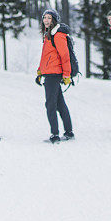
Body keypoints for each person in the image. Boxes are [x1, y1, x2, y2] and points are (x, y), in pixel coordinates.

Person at [35, 8, 74, 143]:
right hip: (49, 73)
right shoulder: (48, 35)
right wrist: (40, 72)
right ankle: (69, 132)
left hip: (54, 74)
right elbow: (45, 57)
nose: (46, 20)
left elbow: (65, 56)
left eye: (49, 18)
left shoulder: (57, 35)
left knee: (50, 105)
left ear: (54, 20)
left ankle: (55, 135)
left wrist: (67, 75)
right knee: (59, 104)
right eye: (44, 18)